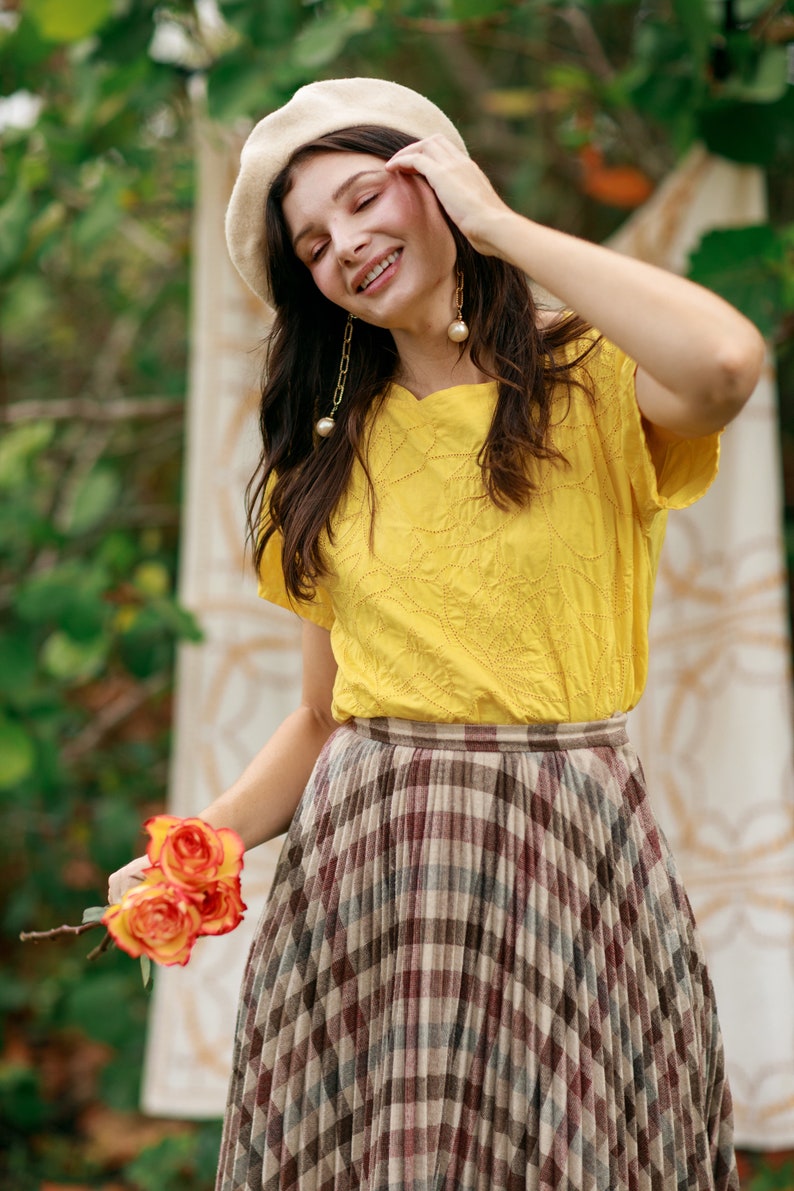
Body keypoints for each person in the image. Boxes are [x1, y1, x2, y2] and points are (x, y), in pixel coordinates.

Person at [109, 78, 765, 1190]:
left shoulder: (592, 377)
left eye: (367, 199)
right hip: (368, 876)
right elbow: (323, 713)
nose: (347, 245)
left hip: (569, 857)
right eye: (313, 244)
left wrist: (499, 225)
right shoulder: (322, 456)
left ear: (437, 185)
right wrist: (201, 847)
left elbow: (723, 366)